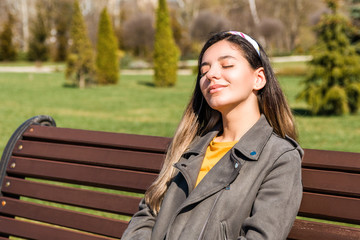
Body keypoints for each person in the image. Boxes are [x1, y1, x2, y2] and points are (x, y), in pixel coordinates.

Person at [122, 31, 303, 240]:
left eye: (227, 65)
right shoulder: (188, 147)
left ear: (258, 78)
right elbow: (149, 211)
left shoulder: (280, 157)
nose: (210, 75)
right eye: (204, 70)